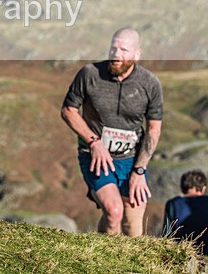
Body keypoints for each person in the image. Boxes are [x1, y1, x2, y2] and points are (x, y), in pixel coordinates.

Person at [60, 27, 163, 236]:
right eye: (113, 48)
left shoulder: (150, 84)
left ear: (136, 54)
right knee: (114, 211)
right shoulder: (90, 74)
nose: (116, 55)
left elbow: (153, 130)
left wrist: (139, 171)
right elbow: (68, 111)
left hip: (131, 159)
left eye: (123, 50)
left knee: (133, 229)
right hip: (95, 156)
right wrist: (94, 142)